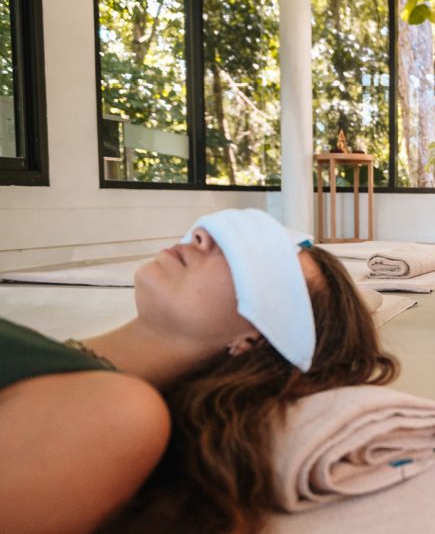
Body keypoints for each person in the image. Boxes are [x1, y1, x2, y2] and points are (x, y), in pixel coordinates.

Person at [0, 209, 399, 534]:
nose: (202, 237)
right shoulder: (71, 373)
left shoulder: (123, 413)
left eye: (251, 260)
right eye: (217, 233)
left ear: (253, 340)